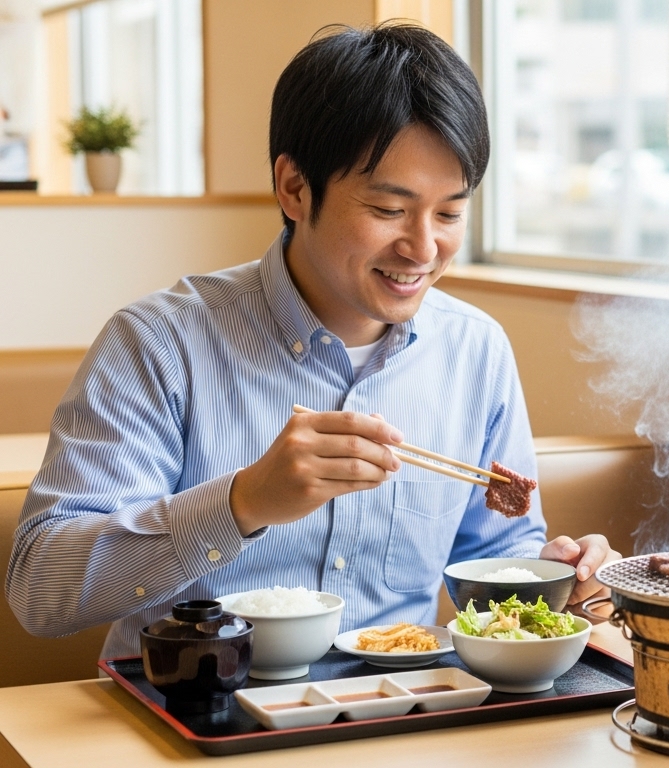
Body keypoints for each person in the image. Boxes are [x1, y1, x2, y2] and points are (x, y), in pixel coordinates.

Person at [5, 23, 618, 660]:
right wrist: (243, 502)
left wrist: (558, 584)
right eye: (388, 210)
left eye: (450, 212)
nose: (423, 248)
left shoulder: (475, 351)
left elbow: (492, 561)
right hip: (195, 712)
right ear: (295, 188)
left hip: (397, 713)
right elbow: (41, 591)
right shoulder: (160, 343)